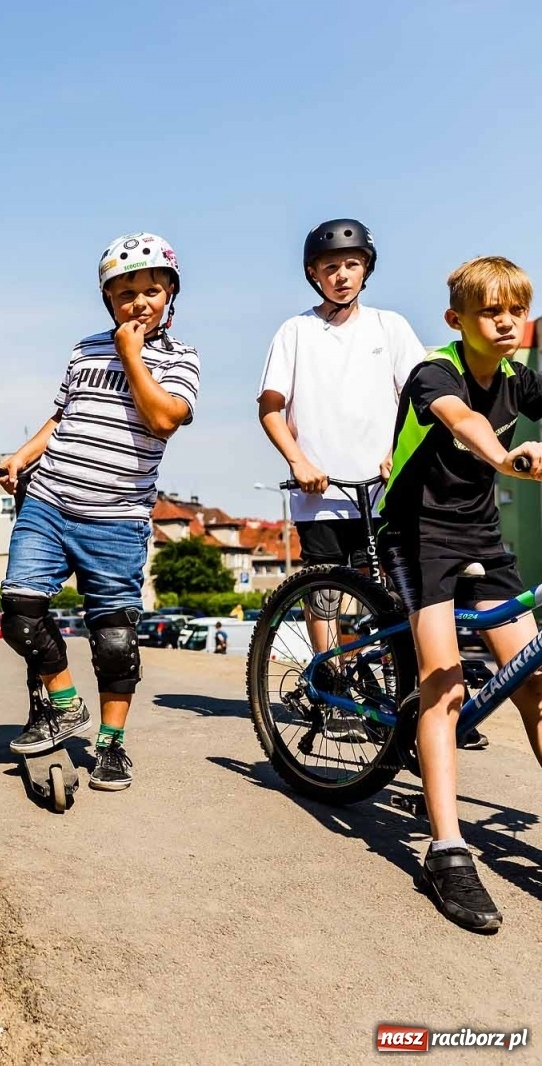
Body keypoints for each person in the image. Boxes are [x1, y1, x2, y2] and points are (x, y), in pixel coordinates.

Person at [252, 220, 488, 745]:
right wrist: (298, 460)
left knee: (401, 597)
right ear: (313, 273)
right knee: (328, 597)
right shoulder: (295, 332)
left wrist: (392, 452)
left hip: (389, 487)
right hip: (323, 493)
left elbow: (422, 398)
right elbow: (271, 409)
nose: (341, 275)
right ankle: (333, 688)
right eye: (330, 267)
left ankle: (423, 696)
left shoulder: (390, 327)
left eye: (351, 265)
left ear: (366, 269)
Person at [0, 233, 200, 791]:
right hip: (50, 499)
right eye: (124, 293)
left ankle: (111, 747)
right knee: (19, 611)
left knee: (113, 639)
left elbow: (163, 419)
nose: (138, 303)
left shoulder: (182, 360)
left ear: (170, 295)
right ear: (108, 300)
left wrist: (133, 355)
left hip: (116, 517)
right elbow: (61, 418)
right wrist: (21, 456)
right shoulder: (85, 350)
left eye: (151, 291)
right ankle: (65, 705)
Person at [378, 256, 541, 932]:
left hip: (478, 533)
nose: (506, 323)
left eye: (516, 310)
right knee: (441, 685)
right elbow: (458, 420)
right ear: (457, 321)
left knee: (534, 681)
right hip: (417, 533)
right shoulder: (435, 370)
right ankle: (446, 850)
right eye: (489, 312)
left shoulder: (516, 378)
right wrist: (505, 456)